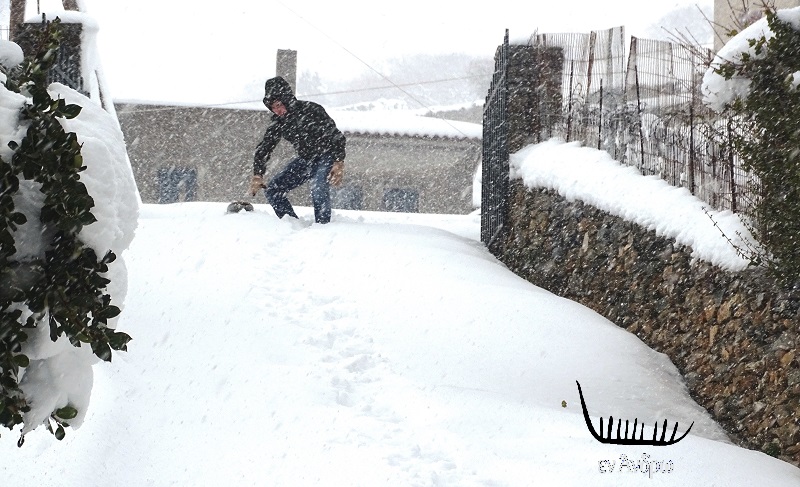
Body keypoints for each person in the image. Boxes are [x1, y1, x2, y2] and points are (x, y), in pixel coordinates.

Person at [249, 76, 346, 224]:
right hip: (306, 160)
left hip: (326, 156)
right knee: (273, 190)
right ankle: (292, 223)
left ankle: (323, 226)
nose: (277, 110)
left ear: (287, 99)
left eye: (279, 105)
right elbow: (264, 148)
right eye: (273, 108)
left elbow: (336, 136)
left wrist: (338, 161)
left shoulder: (311, 110)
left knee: (318, 187)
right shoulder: (279, 123)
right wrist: (258, 174)